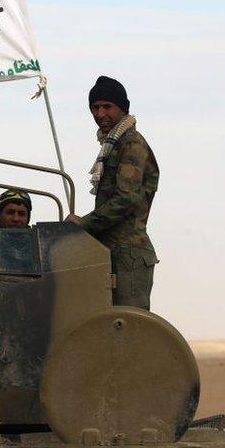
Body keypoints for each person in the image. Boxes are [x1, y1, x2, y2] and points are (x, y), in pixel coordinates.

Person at [66, 76, 159, 309]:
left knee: (128, 329)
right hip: (110, 251)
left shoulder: (131, 144)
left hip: (128, 255)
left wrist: (84, 224)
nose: (99, 114)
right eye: (95, 108)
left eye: (107, 107)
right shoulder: (113, 145)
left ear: (122, 108)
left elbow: (126, 199)